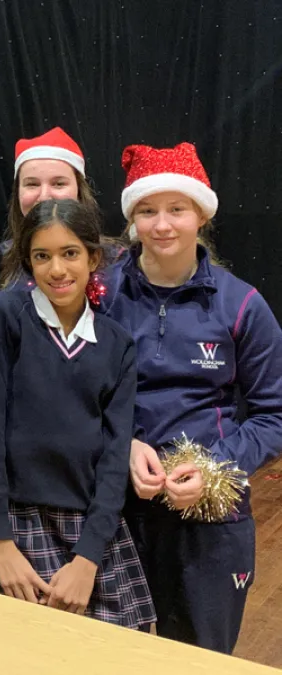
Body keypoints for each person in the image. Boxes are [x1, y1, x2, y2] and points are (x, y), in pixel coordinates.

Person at [101, 142, 282, 653]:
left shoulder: (241, 304)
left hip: (211, 520)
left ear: (201, 214)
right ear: (132, 218)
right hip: (118, 510)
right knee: (112, 656)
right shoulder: (101, 295)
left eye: (176, 209)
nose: (162, 225)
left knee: (198, 658)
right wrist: (121, 445)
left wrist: (214, 467)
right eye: (147, 210)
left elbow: (274, 414)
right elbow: (76, 396)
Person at [0, 199, 155, 629]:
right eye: (41, 256)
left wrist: (88, 558)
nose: (57, 269)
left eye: (70, 253)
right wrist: (0, 542)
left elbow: (114, 458)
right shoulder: (3, 316)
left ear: (93, 258)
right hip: (18, 523)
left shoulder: (117, 345)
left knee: (121, 647)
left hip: (92, 531)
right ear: (27, 262)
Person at [0, 127, 104, 287]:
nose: (44, 197)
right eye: (32, 184)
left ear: (80, 190)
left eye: (58, 184)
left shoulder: (116, 262)